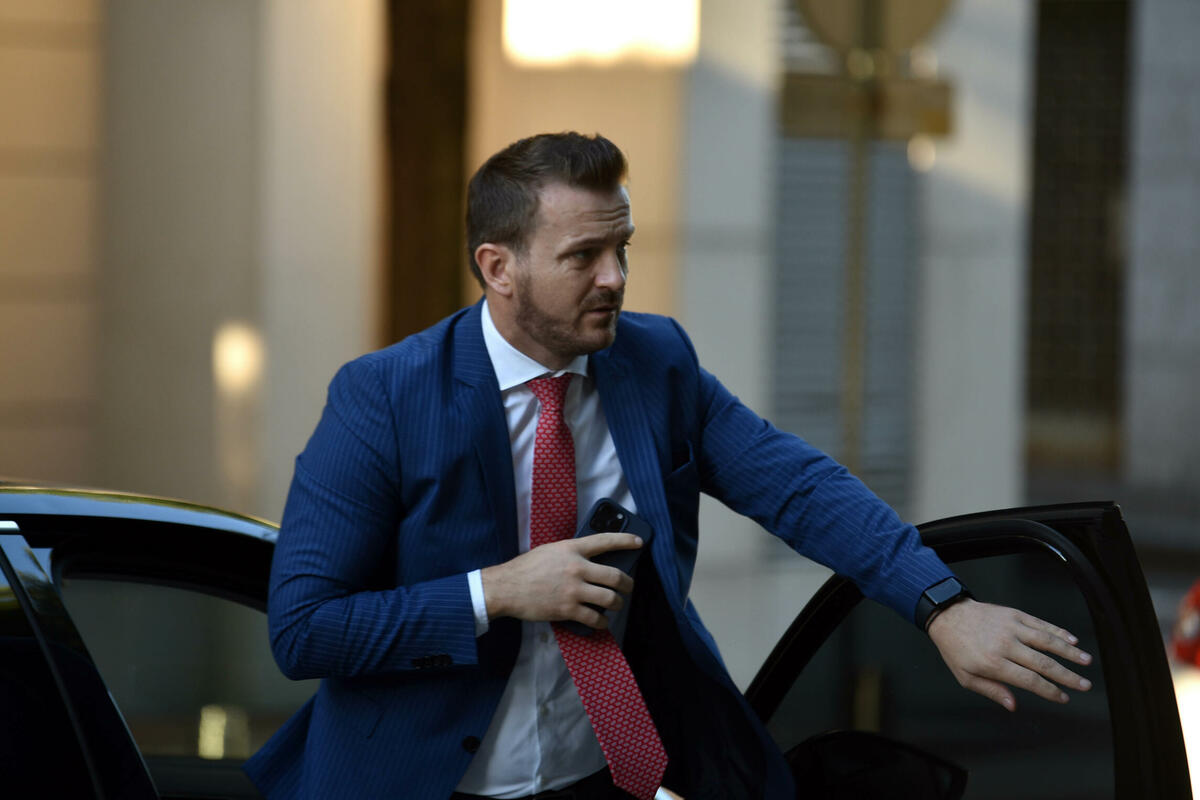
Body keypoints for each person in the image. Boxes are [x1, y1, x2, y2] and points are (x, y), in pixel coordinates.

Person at [244, 132, 1093, 800]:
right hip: (420, 783)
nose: (614, 278)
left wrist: (942, 606)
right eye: (583, 256)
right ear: (498, 267)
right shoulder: (384, 397)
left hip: (606, 780)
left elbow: (798, 487)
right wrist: (495, 591)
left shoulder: (657, 363)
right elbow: (304, 628)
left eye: (623, 248)